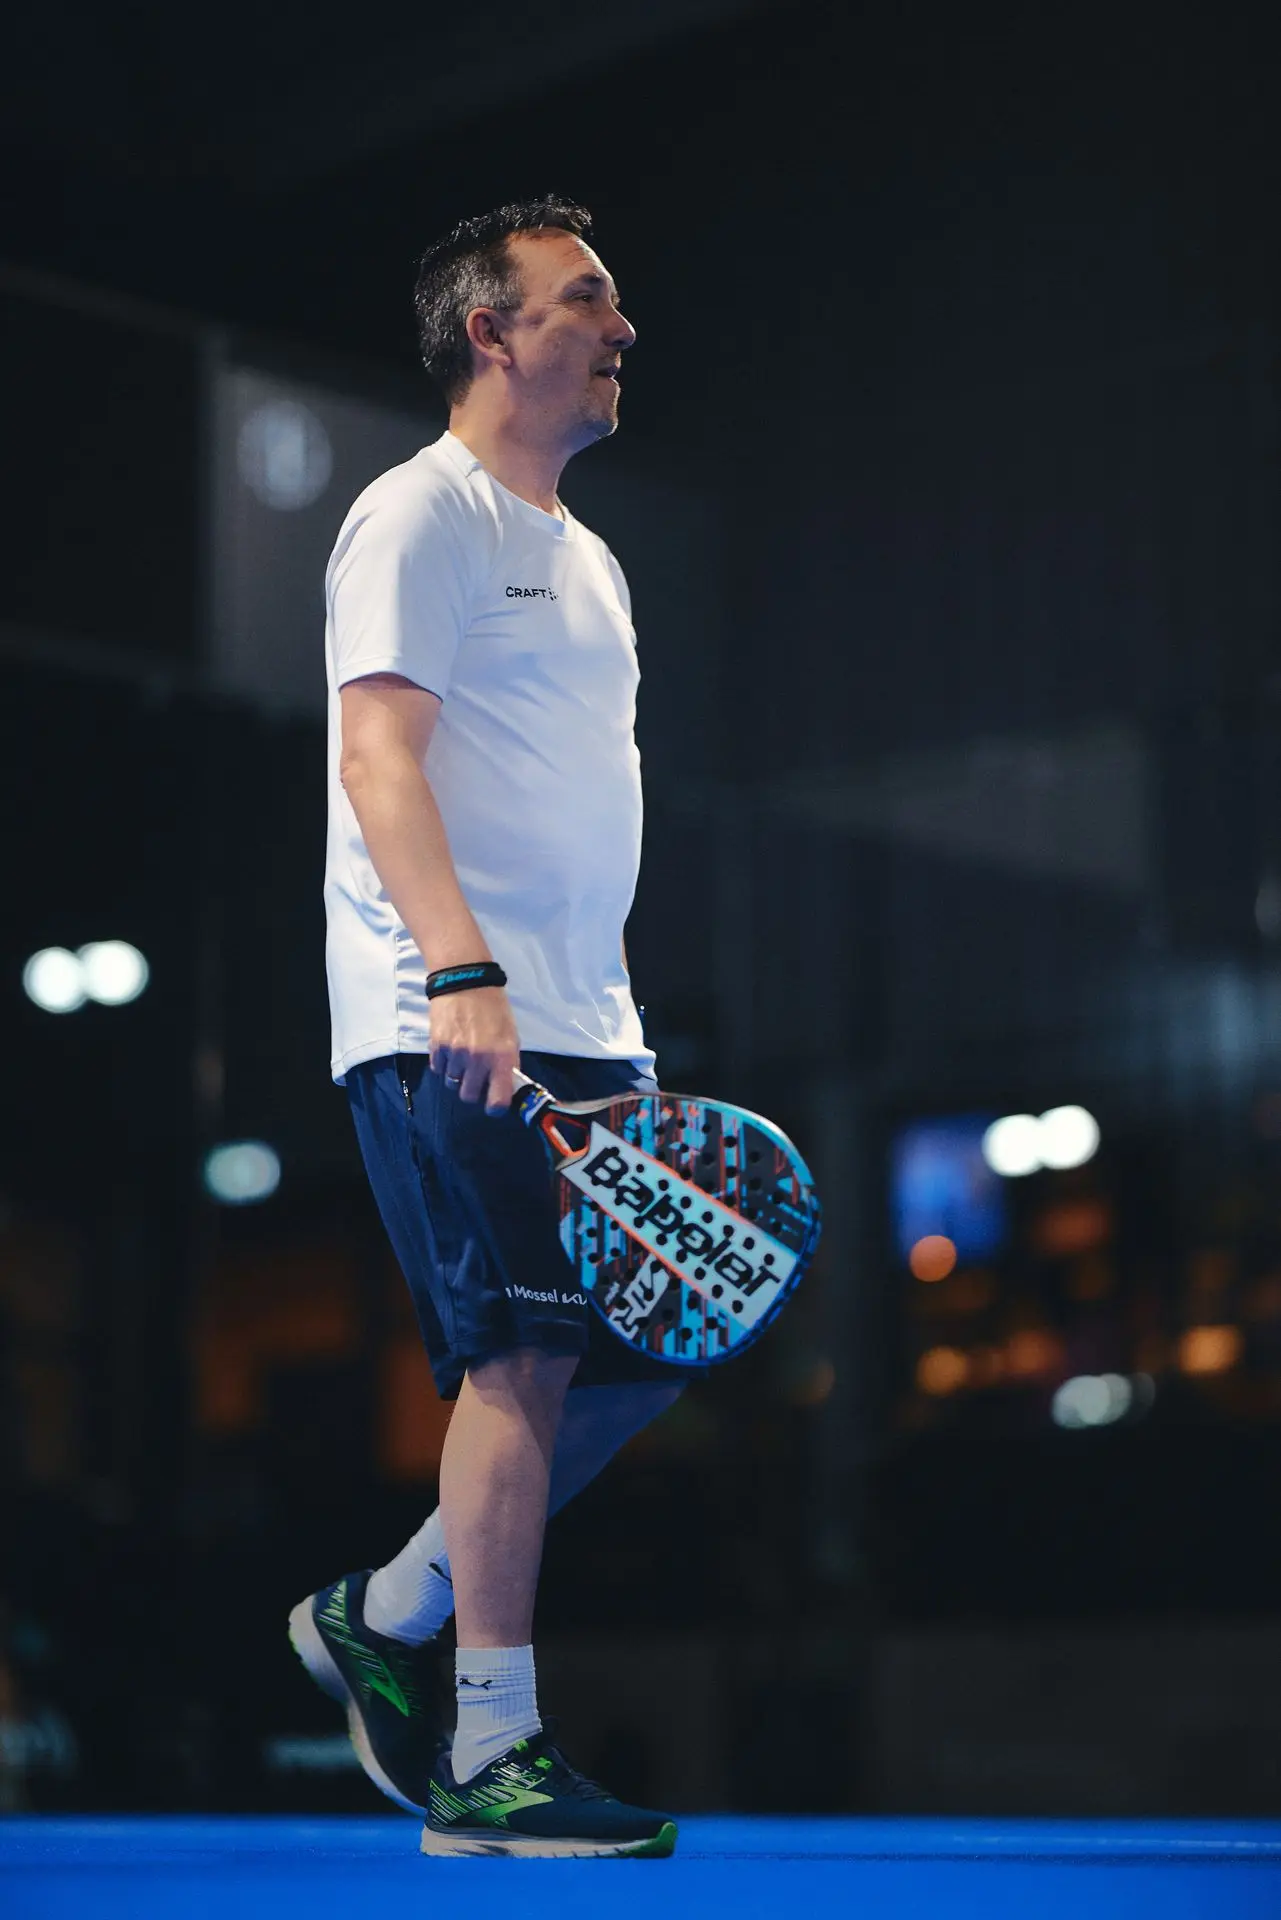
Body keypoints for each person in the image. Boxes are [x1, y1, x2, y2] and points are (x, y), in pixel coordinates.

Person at [289, 198, 681, 1859]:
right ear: (491, 332)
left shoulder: (590, 556)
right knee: (521, 1355)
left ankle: (383, 1613)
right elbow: (378, 754)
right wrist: (460, 970)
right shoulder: (417, 513)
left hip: (589, 1025)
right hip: (449, 1011)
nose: (622, 327)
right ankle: (492, 1757)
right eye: (585, 298)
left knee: (648, 1355)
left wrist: (607, 1023)